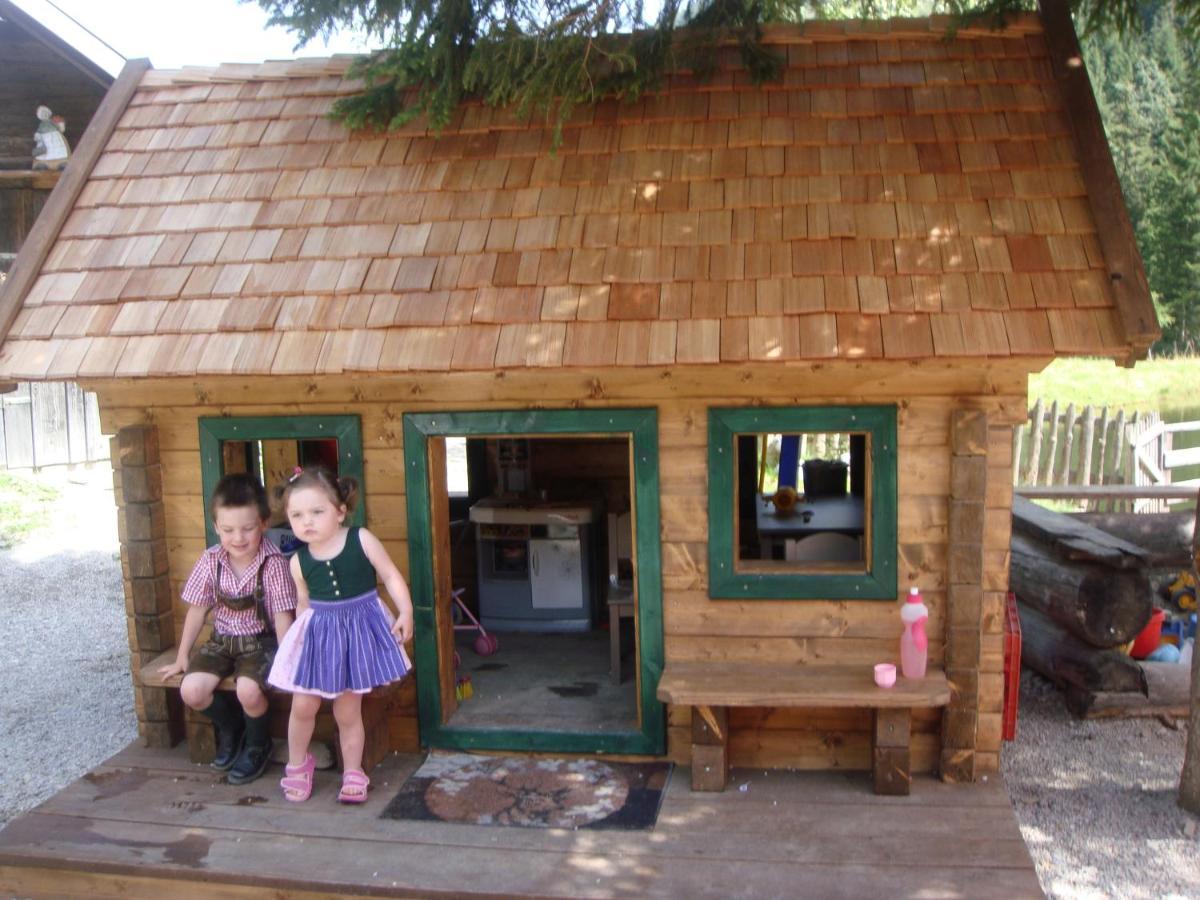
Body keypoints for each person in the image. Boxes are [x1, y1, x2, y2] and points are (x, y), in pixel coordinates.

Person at [268, 467, 414, 804]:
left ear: (340, 511)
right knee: (303, 705)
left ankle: (353, 770)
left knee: (347, 711)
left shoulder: (360, 539)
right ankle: (297, 764)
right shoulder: (299, 562)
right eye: (297, 515)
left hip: (357, 633)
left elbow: (390, 575)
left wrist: (404, 611)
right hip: (319, 639)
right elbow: (303, 606)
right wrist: (298, 650)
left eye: (317, 512)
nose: (307, 521)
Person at [158, 473, 297, 784]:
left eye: (247, 528)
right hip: (221, 641)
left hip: (260, 643)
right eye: (228, 530)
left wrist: (288, 660)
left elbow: (282, 616)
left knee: (248, 690)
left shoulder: (272, 564)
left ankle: (258, 745)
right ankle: (233, 728)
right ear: (215, 527)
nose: (238, 538)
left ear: (263, 523)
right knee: (191, 691)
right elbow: (197, 611)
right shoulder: (211, 561)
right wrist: (183, 656)